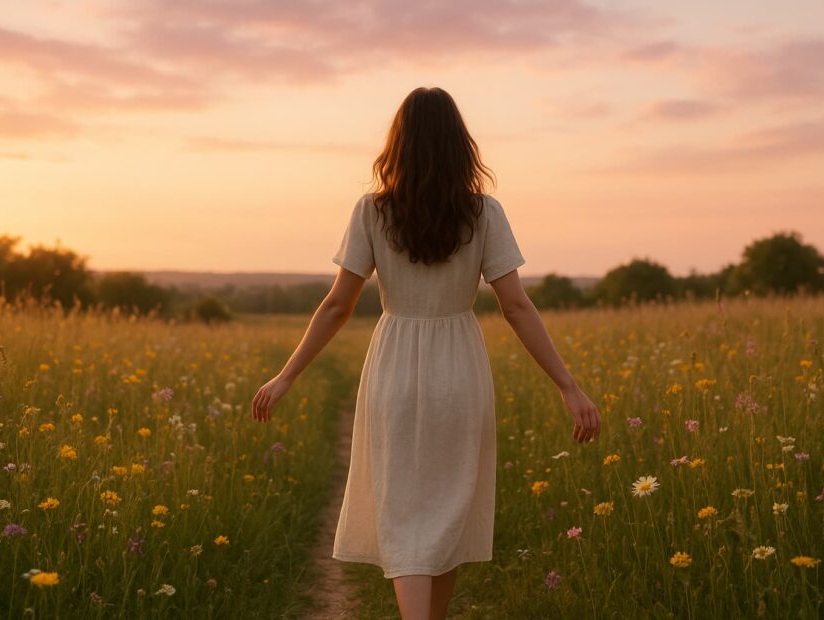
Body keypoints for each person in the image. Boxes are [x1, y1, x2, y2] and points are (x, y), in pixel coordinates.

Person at [251, 86, 601, 620]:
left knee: (406, 513)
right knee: (447, 510)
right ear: (461, 145)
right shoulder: (484, 213)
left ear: (398, 144)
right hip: (460, 368)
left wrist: (286, 375)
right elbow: (517, 308)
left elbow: (336, 306)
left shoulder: (372, 211)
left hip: (393, 366)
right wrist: (567, 386)